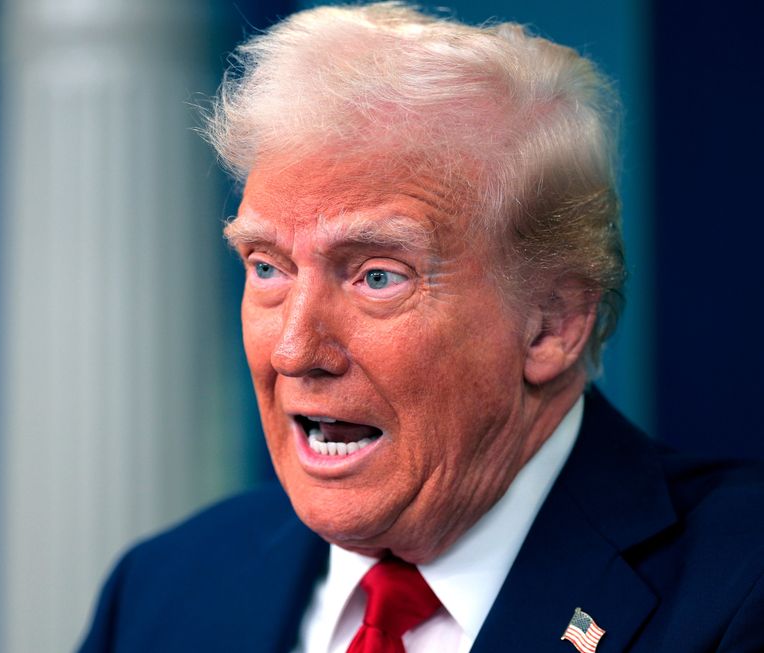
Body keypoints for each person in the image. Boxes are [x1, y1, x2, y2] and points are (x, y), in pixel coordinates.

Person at [79, 4, 764, 652]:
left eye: (377, 276)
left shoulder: (739, 589)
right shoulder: (162, 588)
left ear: (552, 325)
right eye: (267, 267)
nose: (294, 349)